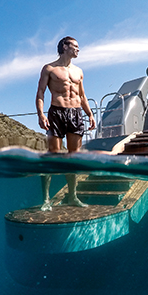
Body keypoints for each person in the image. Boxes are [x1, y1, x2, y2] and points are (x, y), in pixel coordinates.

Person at [35, 36, 96, 211]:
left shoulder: (79, 71)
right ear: (64, 46)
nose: (78, 49)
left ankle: (72, 197)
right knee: (53, 156)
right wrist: (41, 114)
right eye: (75, 46)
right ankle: (46, 200)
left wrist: (90, 114)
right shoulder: (49, 68)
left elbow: (82, 96)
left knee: (73, 157)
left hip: (76, 114)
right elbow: (40, 92)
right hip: (57, 113)